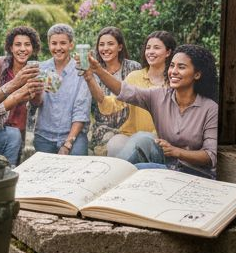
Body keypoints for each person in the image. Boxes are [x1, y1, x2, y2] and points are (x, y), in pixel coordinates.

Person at [89, 44, 218, 177]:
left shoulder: (210, 109)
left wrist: (176, 151)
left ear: (197, 74)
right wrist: (98, 70)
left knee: (135, 172)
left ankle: (106, 178)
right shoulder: (159, 96)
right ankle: (105, 177)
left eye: (181, 67)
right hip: (168, 165)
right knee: (140, 143)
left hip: (196, 173)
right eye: (172, 65)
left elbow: (210, 155)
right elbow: (123, 91)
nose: (173, 71)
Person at [84, 30, 176, 158]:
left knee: (142, 142)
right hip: (130, 134)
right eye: (148, 48)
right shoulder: (134, 76)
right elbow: (110, 105)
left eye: (156, 47)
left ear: (168, 52)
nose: (150, 51)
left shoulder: (174, 81)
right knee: (115, 145)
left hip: (162, 138)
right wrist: (90, 78)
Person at [80, 27, 142, 156]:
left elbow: (138, 98)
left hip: (131, 129)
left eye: (110, 44)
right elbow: (99, 99)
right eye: (101, 45)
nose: (105, 48)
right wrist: (89, 77)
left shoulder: (133, 67)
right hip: (103, 129)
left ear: (120, 47)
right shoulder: (93, 70)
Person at [32, 24, 91, 155]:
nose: (58, 48)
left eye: (63, 43)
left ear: (71, 45)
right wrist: (37, 92)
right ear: (49, 44)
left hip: (74, 135)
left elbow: (81, 111)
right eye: (54, 43)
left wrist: (68, 144)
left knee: (76, 170)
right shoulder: (41, 68)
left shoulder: (81, 70)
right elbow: (37, 103)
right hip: (44, 136)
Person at [0, 26, 44, 159]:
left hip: (19, 129)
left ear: (33, 48)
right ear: (11, 47)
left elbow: (36, 103)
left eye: (27, 45)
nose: (23, 49)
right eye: (18, 45)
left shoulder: (35, 71)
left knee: (11, 167)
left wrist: (37, 89)